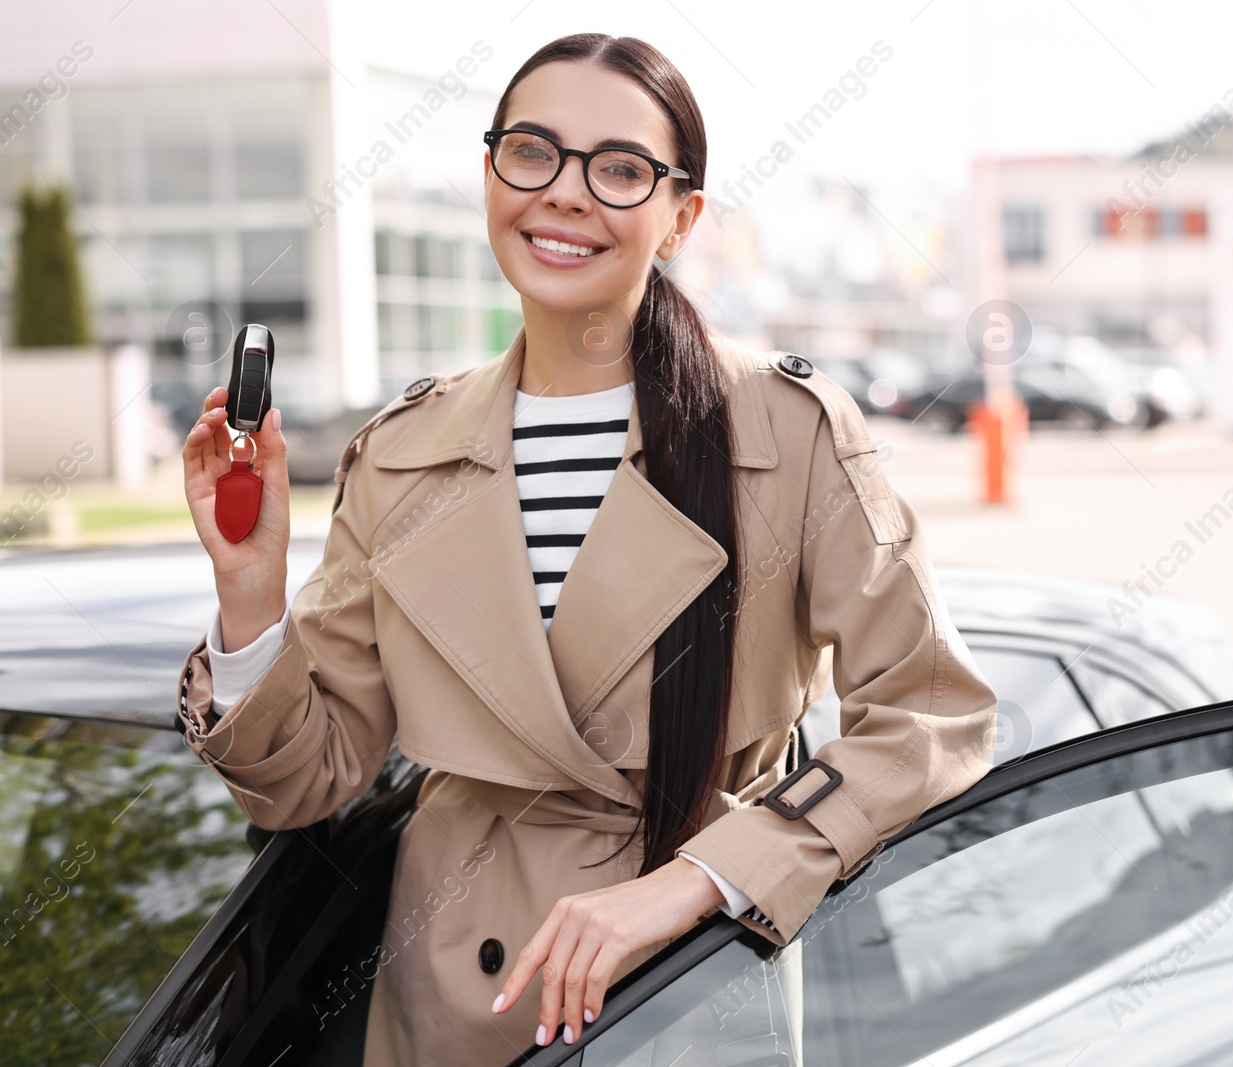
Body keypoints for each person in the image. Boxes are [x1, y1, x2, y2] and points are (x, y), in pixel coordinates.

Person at [177, 32, 998, 1067]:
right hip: (450, 1007)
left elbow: (932, 713)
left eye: (619, 169)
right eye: (532, 151)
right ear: (489, 173)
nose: (565, 194)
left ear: (681, 216)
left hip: (691, 986)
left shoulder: (786, 430)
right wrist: (250, 595)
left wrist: (699, 877)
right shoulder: (399, 452)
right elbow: (308, 779)